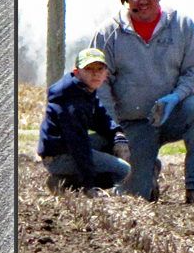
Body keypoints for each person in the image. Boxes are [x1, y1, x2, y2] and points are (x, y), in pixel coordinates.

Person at [92, 0, 194, 204]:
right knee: (134, 198)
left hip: (171, 115)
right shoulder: (108, 33)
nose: (144, 1)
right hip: (132, 125)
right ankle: (147, 172)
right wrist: (115, 130)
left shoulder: (183, 26)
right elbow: (99, 85)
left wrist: (175, 98)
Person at [38, 48, 131, 198]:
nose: (95, 73)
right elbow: (78, 146)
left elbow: (103, 119)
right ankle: (65, 182)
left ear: (106, 73)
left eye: (100, 69)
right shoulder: (71, 101)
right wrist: (89, 185)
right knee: (123, 170)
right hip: (59, 157)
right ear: (77, 72)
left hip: (70, 148)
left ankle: (72, 180)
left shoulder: (85, 90)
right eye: (88, 69)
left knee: (115, 141)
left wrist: (118, 136)